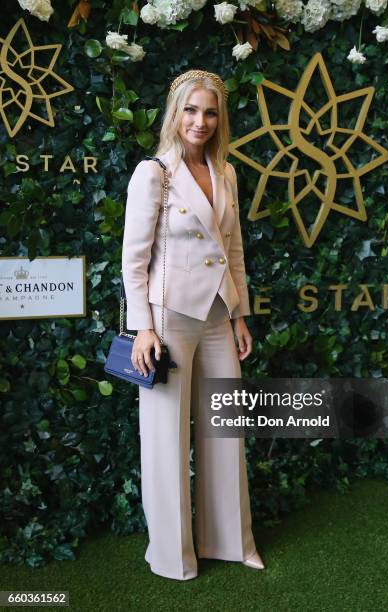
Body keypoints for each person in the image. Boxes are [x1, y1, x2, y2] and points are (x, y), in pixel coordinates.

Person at [121, 69, 264, 581]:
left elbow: (234, 251)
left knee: (227, 428)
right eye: (190, 110)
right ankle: (171, 555)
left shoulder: (226, 172)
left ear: (219, 119)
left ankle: (230, 542)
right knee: (164, 438)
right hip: (168, 321)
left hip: (219, 316)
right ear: (174, 112)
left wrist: (241, 313)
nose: (199, 122)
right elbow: (133, 261)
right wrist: (143, 328)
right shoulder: (153, 173)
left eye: (209, 112)